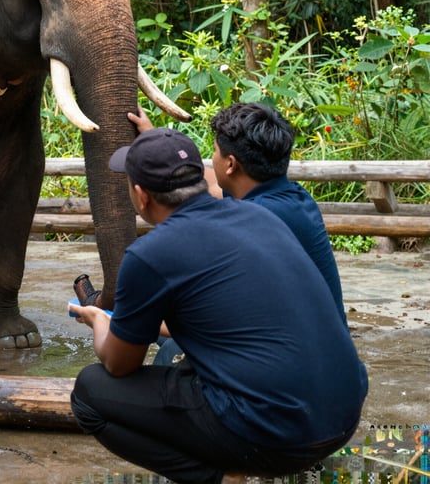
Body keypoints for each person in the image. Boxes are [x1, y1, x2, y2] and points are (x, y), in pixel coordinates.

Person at [69, 127, 368, 484]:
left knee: (88, 392)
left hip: (280, 437)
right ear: (200, 175)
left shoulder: (149, 255)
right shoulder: (259, 216)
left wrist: (99, 320)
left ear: (141, 195)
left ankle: (217, 477)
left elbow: (120, 364)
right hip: (344, 415)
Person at [130, 103, 347, 366]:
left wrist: (127, 320)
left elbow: (206, 323)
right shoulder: (290, 198)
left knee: (167, 352)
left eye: (215, 151)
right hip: (323, 351)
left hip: (292, 363)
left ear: (230, 164)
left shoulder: (247, 225)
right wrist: (154, 139)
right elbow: (206, 182)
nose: (212, 158)